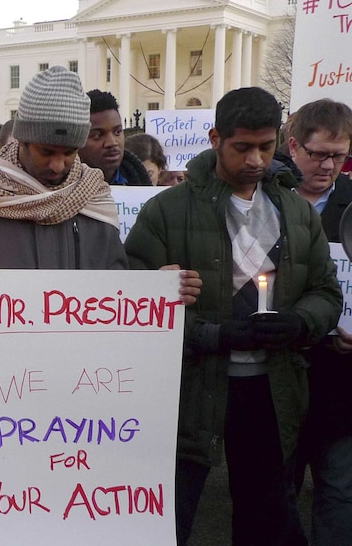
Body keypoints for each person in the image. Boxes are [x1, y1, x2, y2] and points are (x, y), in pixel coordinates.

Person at [0, 65, 200, 546]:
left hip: (78, 399)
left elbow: (111, 287)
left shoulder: (93, 197)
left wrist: (151, 290)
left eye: (69, 152)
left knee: (65, 511)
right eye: (45, 151)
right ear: (21, 139)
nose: (57, 166)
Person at [124, 87, 342, 546]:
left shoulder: (297, 212)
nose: (257, 160)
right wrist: (210, 335)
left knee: (266, 514)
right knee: (167, 516)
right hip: (191, 388)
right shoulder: (167, 210)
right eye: (243, 147)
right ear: (215, 138)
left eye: (266, 146)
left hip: (271, 387)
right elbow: (132, 305)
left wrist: (301, 322)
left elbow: (325, 289)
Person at [286, 98, 352, 545]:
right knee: (276, 491)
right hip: (281, 367)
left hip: (341, 375)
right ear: (293, 146)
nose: (330, 165)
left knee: (340, 489)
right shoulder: (265, 199)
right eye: (319, 154)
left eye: (340, 155)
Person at [79, 90, 152, 185]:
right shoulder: (59, 190)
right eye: (98, 135)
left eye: (117, 132)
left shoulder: (141, 182)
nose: (112, 142)